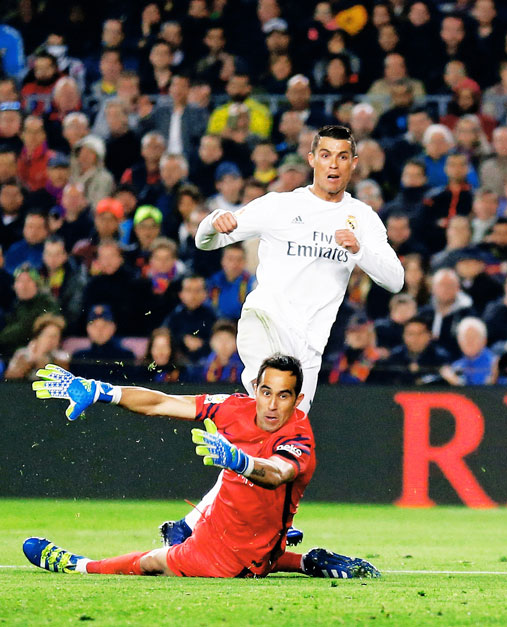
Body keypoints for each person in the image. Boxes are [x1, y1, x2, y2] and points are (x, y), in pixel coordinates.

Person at [172, 125, 403, 546]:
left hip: (309, 348)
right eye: (326, 154)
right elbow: (205, 241)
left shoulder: (363, 219)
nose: (334, 163)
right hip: (266, 321)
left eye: (342, 156)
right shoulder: (280, 206)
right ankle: (232, 522)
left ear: (353, 163)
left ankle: (201, 524)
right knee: (270, 423)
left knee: (283, 436)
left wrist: (360, 251)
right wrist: (212, 221)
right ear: (312, 159)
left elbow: (396, 280)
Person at [24, 354, 380, 580]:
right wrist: (104, 391)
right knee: (235, 529)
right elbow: (165, 402)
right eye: (266, 392)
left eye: (284, 395)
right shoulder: (234, 407)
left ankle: (81, 565)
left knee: (152, 561)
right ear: (255, 388)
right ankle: (302, 561)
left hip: (228, 560)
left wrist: (238, 462)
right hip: (245, 535)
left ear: (298, 400)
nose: (272, 405)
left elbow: (276, 473)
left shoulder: (300, 436)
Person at [4, 313, 69, 380]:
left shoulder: (62, 356)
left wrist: (40, 359)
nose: (51, 341)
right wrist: (32, 360)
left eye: (55, 336)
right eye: (48, 336)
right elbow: (10, 377)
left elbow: (61, 379)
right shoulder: (22, 353)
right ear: (38, 337)